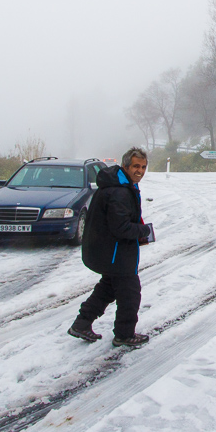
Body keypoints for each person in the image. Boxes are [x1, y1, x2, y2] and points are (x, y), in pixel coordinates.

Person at [68, 147, 152, 347]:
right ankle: (124, 334)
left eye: (143, 167)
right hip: (117, 253)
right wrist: (143, 231)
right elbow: (121, 228)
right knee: (130, 293)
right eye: (135, 166)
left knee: (107, 288)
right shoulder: (119, 192)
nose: (139, 170)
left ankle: (81, 323)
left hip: (109, 251)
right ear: (125, 166)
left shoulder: (119, 185)